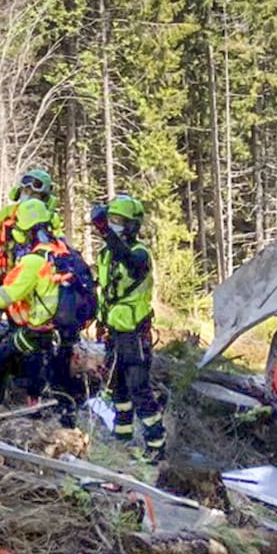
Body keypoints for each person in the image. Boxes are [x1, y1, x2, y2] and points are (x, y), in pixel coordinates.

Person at [0, 198, 75, 426]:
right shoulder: (61, 252)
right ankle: (38, 409)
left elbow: (0, 298)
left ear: (25, 230)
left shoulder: (33, 262)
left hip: (36, 332)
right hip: (55, 332)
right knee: (34, 374)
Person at [93, 193, 163, 460]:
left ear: (132, 225)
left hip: (134, 333)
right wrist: (100, 321)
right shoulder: (106, 254)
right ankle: (122, 435)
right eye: (110, 220)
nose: (113, 225)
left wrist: (106, 233)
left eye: (119, 221)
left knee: (139, 388)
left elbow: (132, 267)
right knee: (117, 386)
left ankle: (156, 445)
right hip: (114, 329)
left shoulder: (139, 253)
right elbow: (107, 291)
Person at [0, 167, 59, 273]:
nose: (29, 196)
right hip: (12, 274)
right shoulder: (7, 214)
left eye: (34, 194)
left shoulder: (50, 218)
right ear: (19, 192)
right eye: (26, 191)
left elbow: (59, 246)